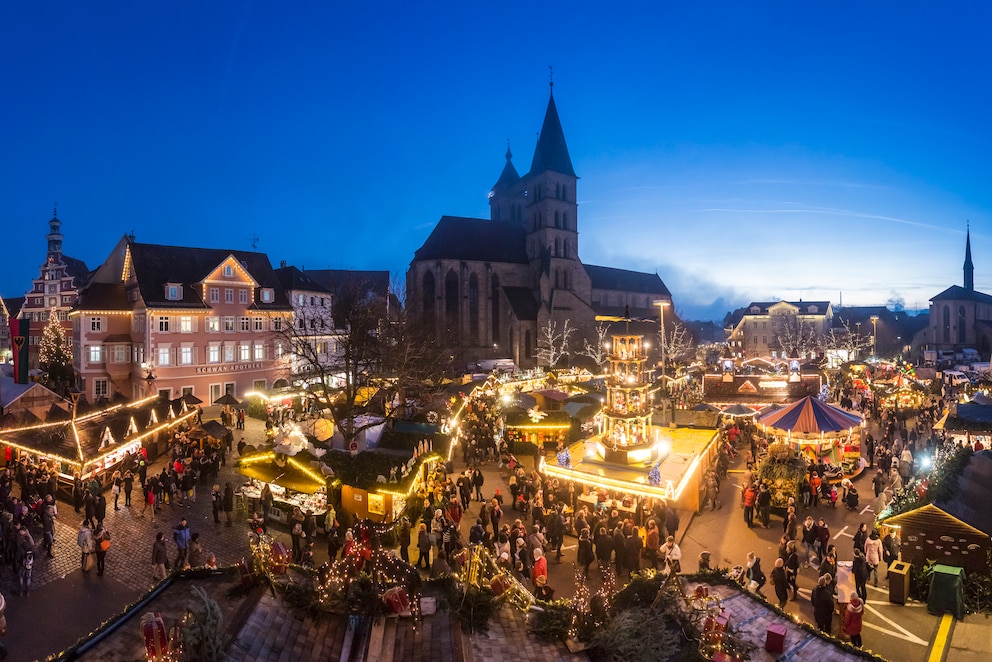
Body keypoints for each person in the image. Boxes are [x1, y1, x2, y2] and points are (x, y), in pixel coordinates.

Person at [15, 527, 34, 597]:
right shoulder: (32, 547)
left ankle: (21, 591)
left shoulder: (22, 548)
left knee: (21, 577)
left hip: (22, 565)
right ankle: (28, 591)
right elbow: (35, 555)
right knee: (28, 577)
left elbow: (18, 557)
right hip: (29, 565)